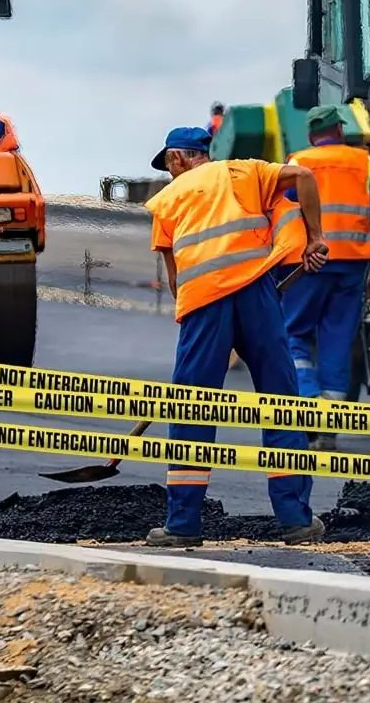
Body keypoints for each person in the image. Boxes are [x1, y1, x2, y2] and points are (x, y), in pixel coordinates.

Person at [142, 125, 328, 548]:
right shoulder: (243, 172)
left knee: (192, 408)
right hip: (257, 294)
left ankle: (183, 525)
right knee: (280, 401)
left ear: (176, 159)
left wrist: (207, 327)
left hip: (204, 304)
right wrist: (315, 238)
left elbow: (175, 281)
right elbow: (304, 177)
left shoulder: (168, 200)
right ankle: (296, 520)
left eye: (169, 165)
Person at [277, 105, 370, 451]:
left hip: (306, 265)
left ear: (311, 135)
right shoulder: (364, 163)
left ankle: (307, 406)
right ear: (340, 131)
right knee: (337, 343)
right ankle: (329, 427)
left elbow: (282, 214)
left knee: (293, 334)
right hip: (351, 267)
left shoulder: (297, 162)